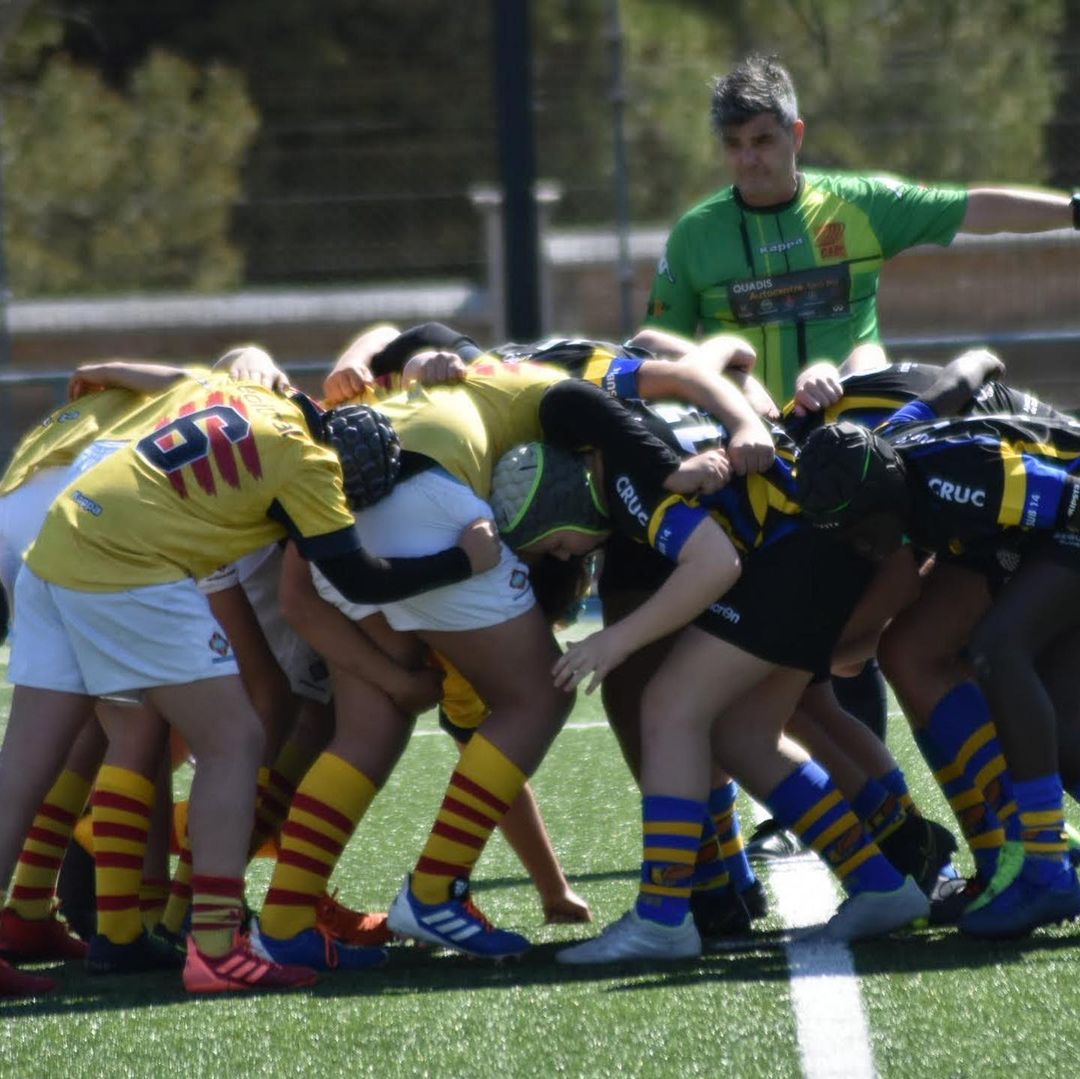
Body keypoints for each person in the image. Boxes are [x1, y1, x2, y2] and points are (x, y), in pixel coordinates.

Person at [0, 364, 502, 993]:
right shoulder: (314, 467)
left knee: (25, 760)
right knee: (235, 740)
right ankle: (213, 946)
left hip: (58, 536)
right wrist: (465, 559)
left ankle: (99, 923)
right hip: (125, 560)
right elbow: (360, 580)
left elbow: (186, 377)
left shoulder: (257, 398)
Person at [794, 357, 1080, 938]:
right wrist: (979, 359)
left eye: (865, 532)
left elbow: (1070, 506)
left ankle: (1047, 866)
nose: (865, 549)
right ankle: (1028, 854)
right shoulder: (885, 447)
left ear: (889, 498)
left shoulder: (958, 477)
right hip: (1028, 533)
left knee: (1000, 650)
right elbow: (950, 387)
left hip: (1065, 514)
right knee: (1061, 735)